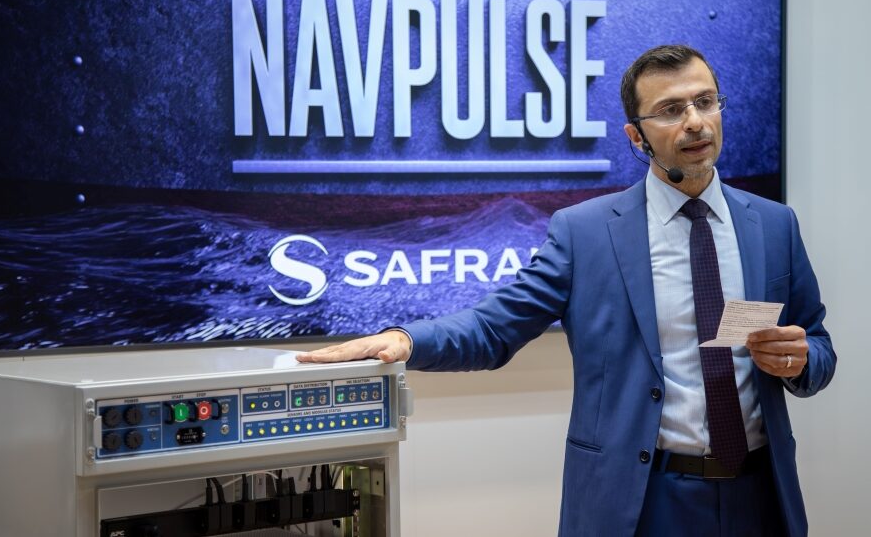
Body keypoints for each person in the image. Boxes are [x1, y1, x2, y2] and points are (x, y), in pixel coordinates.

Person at [297, 44, 837, 537]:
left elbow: (817, 343)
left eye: (705, 101)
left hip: (760, 497)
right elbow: (492, 329)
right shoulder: (586, 233)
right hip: (642, 501)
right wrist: (405, 340)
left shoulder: (773, 224)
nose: (695, 121)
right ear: (636, 136)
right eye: (671, 110)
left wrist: (800, 360)